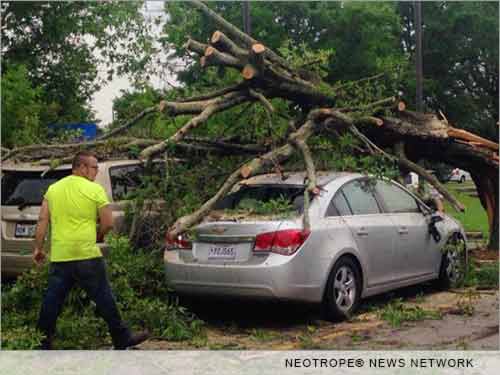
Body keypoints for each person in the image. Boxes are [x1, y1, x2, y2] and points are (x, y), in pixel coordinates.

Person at [33, 151, 149, 350]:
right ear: (82, 167)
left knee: (52, 300)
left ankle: (41, 341)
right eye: (94, 167)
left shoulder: (53, 189)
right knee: (104, 297)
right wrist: (99, 236)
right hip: (87, 255)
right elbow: (108, 223)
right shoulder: (95, 189)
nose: (96, 171)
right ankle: (122, 338)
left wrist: (38, 248)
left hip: (61, 256)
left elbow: (43, 220)